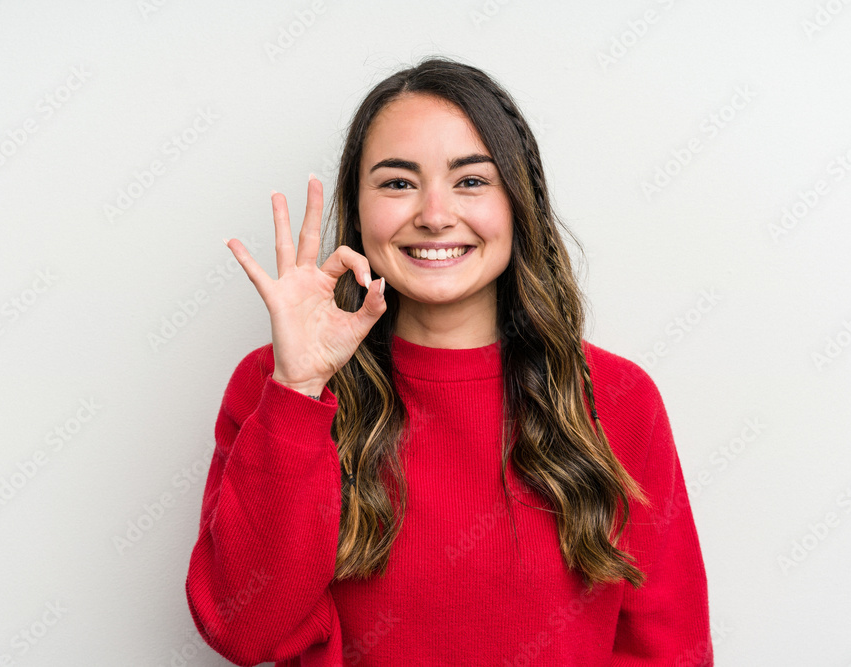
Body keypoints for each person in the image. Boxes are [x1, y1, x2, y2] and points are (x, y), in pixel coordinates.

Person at [184, 56, 713, 666]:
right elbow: (242, 631)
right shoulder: (278, 385)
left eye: (470, 181)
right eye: (398, 183)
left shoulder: (618, 399)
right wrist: (299, 389)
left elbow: (670, 651)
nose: (435, 215)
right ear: (359, 209)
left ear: (518, 202)